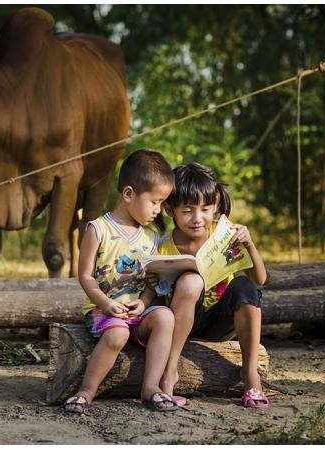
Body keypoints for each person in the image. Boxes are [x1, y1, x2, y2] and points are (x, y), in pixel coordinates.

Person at [64, 149, 179, 414]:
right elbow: (85, 276)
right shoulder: (98, 229)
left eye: (161, 203)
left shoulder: (151, 237)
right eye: (154, 202)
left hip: (137, 313)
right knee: (118, 334)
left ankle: (150, 389)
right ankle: (86, 391)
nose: (158, 210)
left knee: (165, 318)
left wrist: (144, 301)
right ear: (128, 194)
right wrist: (105, 304)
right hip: (104, 311)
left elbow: (150, 280)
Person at [156, 162, 269, 408]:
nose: (198, 219)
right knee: (190, 281)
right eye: (187, 211)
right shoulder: (163, 247)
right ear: (169, 209)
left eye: (205, 209)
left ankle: (250, 375)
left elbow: (260, 280)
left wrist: (249, 244)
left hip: (221, 321)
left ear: (215, 206)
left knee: (244, 287)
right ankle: (170, 371)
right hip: (184, 321)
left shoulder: (224, 236)